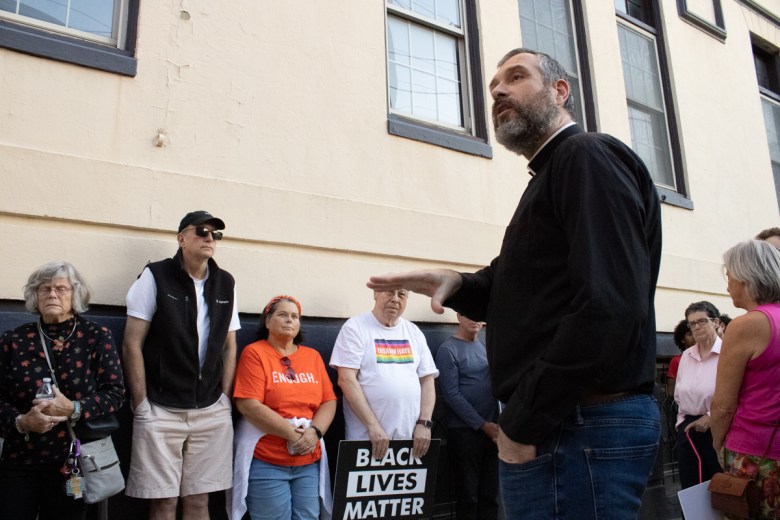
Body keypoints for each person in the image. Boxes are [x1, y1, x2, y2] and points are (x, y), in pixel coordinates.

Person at [367, 47, 662, 518]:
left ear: (560, 91)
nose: (499, 90)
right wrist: (456, 282)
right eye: (492, 86)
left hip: (576, 425)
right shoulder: (552, 174)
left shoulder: (585, 156)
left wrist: (523, 421)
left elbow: (607, 307)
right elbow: (528, 289)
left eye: (516, 77)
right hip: (566, 424)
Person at [123, 210, 239, 520]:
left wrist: (224, 399)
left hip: (211, 409)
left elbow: (229, 345)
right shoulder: (155, 276)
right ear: (181, 238)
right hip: (161, 408)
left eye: (216, 234)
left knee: (200, 501)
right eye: (201, 231)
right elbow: (132, 342)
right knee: (163, 503)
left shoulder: (225, 283)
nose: (209, 238)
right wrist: (141, 404)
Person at [0, 261, 125, 520]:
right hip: (20, 458)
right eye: (44, 289)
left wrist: (74, 408)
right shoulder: (14, 340)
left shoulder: (96, 336)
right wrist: (22, 422)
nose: (52, 294)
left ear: (75, 294)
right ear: (35, 295)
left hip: (72, 460)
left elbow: (115, 393)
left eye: (61, 288)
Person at [232, 296, 336, 520]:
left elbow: (329, 401)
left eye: (294, 316)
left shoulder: (313, 357)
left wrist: (315, 433)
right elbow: (247, 403)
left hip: (308, 460)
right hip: (268, 460)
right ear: (267, 322)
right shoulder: (255, 353)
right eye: (282, 314)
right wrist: (293, 435)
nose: (289, 320)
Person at [712, 240, 780, 519]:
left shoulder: (746, 325)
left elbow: (723, 405)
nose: (727, 283)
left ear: (745, 275)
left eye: (729, 274)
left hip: (755, 454)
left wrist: (718, 444)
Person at [330, 289, 439, 461]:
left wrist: (424, 424)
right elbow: (346, 379)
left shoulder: (414, 332)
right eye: (390, 293)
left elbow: (427, 379)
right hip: (367, 440)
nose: (395, 299)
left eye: (402, 295)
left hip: (409, 443)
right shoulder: (355, 327)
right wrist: (372, 426)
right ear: (375, 294)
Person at [435, 314, 499, 520]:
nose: (475, 319)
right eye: (468, 314)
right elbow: (452, 395)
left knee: (490, 495)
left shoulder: (485, 348)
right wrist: (482, 425)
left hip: (494, 433)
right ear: (458, 317)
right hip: (465, 433)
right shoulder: (448, 349)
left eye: (479, 315)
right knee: (468, 496)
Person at [674, 301, 723, 490]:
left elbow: (737, 394)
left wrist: (710, 417)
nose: (696, 327)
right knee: (691, 486)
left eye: (701, 321)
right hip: (688, 429)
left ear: (716, 322)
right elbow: (679, 395)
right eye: (692, 323)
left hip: (717, 428)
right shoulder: (686, 356)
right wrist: (681, 424)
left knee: (717, 486)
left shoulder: (728, 352)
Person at [666, 319, 695, 399]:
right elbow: (671, 391)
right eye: (689, 334)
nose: (694, 337)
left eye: (695, 333)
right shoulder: (676, 361)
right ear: (682, 339)